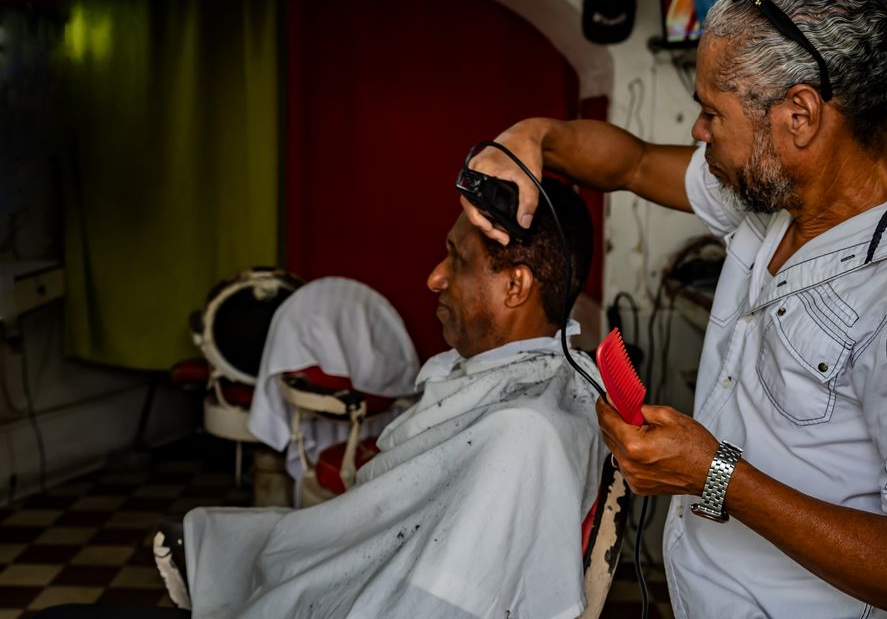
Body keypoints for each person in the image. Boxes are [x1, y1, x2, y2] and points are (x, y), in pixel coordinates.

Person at [465, 0, 887, 619]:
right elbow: (630, 163)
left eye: (711, 113)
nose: (697, 132)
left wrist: (715, 473)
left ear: (799, 114)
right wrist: (531, 139)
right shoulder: (790, 179)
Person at [39, 178, 605, 619]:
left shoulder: (524, 435)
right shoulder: (558, 388)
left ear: (515, 285)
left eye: (456, 260)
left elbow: (435, 603)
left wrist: (702, 476)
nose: (434, 278)